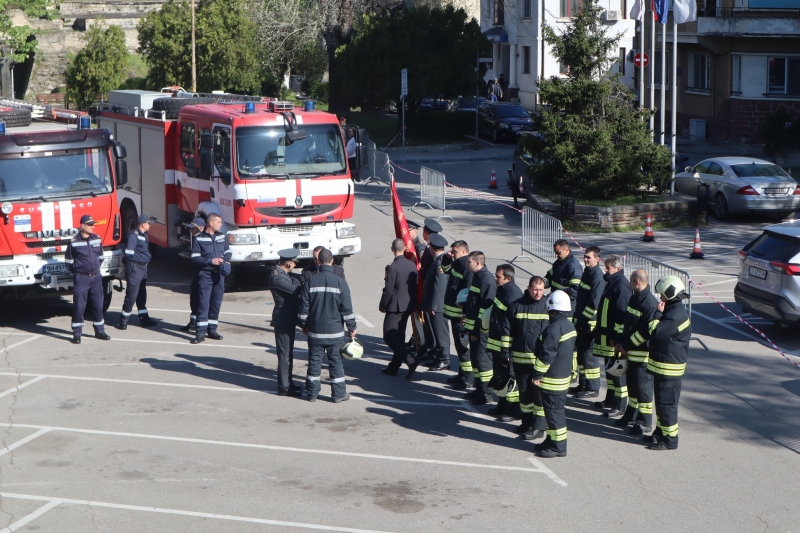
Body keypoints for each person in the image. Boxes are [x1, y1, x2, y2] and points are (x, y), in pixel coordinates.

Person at [298, 248, 357, 403]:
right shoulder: (340, 283)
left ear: (318, 261)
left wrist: (303, 325)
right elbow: (347, 309)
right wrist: (352, 327)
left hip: (315, 332)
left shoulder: (310, 282)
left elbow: (303, 309)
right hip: (335, 333)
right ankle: (338, 394)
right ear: (332, 261)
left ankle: (312, 393)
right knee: (336, 364)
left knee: (314, 363)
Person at [641, 276, 691, 450]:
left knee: (667, 406)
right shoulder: (673, 310)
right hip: (663, 368)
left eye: (662, 295)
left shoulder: (673, 316)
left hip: (668, 370)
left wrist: (656, 314)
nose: (660, 298)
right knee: (662, 405)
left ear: (670, 295)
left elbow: (654, 332)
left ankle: (669, 440)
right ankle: (660, 433)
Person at [532, 290, 577, 458]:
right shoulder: (568, 325)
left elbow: (546, 355)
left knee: (554, 413)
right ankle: (551, 441)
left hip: (552, 379)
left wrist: (537, 373)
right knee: (552, 413)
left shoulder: (553, 329)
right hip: (562, 376)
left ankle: (558, 447)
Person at [506, 276, 550, 440]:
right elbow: (507, 333)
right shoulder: (516, 306)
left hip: (539, 362)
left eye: (541, 290)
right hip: (520, 359)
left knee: (538, 395)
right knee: (524, 394)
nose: (539, 293)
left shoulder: (547, 307)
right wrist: (506, 355)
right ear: (529, 288)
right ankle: (526, 423)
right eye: (535, 290)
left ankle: (538, 427)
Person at [615, 270, 659, 434]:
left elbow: (644, 333)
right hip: (630, 353)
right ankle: (631, 416)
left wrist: (626, 345)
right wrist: (619, 341)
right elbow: (626, 324)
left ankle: (645, 422)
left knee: (643, 389)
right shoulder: (635, 298)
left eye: (631, 282)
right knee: (633, 387)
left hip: (642, 356)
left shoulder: (649, 303)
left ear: (637, 282)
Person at [592, 255, 632, 416]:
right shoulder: (612, 283)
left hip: (615, 339)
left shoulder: (621, 287)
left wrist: (616, 338)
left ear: (618, 269)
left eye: (608, 268)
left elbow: (621, 316)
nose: (605, 270)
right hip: (607, 337)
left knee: (618, 373)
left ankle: (620, 405)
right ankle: (610, 400)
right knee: (610, 370)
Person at [65, 214, 111, 344]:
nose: (93, 227)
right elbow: (69, 262)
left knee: (98, 305)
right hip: (81, 278)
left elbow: (101, 258)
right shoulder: (73, 242)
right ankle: (77, 333)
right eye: (90, 225)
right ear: (82, 226)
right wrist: (79, 272)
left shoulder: (97, 239)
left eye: (93, 224)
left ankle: (100, 331)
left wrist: (94, 270)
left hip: (96, 277)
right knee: (79, 306)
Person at [486, 264, 523, 421]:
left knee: (510, 379)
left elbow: (513, 324)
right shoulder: (502, 290)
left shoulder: (513, 294)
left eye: (498, 276)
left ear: (508, 278)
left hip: (505, 344)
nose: (495, 278)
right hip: (496, 342)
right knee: (500, 377)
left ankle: (513, 411)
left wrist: (507, 351)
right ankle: (501, 406)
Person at [190, 213, 231, 344]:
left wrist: (224, 260)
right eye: (219, 222)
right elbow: (195, 258)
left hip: (219, 275)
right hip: (205, 276)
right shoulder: (199, 239)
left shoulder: (221, 236)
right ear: (211, 223)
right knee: (203, 304)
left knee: (216, 304)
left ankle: (212, 330)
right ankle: (200, 333)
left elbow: (228, 252)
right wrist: (210, 261)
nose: (221, 224)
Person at [379, 238, 418, 377]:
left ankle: (410, 359)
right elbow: (414, 288)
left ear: (392, 249)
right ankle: (394, 366)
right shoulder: (411, 266)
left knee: (389, 336)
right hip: (407, 305)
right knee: (399, 336)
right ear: (404, 249)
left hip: (395, 306)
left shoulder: (392, 267)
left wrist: (383, 304)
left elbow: (388, 290)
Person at [571, 246, 606, 398]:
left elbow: (594, 305)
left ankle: (592, 387)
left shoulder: (597, 277)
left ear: (597, 259)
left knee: (589, 356)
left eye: (589, 257)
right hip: (581, 320)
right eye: (585, 257)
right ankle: (583, 384)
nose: (585, 259)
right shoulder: (587, 272)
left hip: (589, 323)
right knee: (581, 355)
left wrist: (582, 321)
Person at [268, 248, 304, 397]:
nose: (295, 266)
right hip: (283, 319)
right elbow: (295, 290)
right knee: (284, 354)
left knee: (288, 353)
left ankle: (288, 383)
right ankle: (284, 387)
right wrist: (297, 279)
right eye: (294, 263)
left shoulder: (282, 273)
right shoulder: (278, 277)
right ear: (288, 264)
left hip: (287, 318)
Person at [462, 251, 496, 404]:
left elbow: (485, 311)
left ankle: (486, 394)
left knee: (483, 363)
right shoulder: (477, 277)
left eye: (469, 261)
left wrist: (476, 331)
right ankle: (478, 390)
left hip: (481, 331)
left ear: (477, 263)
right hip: (473, 328)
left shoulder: (487, 280)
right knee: (475, 361)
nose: (466, 264)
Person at [117, 215, 157, 330]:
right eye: (149, 223)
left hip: (142, 268)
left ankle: (144, 318)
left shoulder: (143, 235)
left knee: (141, 294)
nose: (150, 225)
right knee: (132, 295)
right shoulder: (134, 235)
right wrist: (125, 263)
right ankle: (123, 320)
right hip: (135, 268)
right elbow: (128, 253)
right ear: (143, 224)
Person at [442, 240, 473, 387]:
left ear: (463, 251)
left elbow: (467, 294)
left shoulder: (466, 267)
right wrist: (447, 259)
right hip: (454, 315)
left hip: (460, 316)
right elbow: (446, 270)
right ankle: (462, 374)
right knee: (459, 347)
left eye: (454, 252)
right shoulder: (457, 263)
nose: (452, 254)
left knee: (463, 348)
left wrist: (464, 315)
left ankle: (467, 379)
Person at [421, 233, 450, 372]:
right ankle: (439, 356)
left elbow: (440, 287)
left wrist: (434, 305)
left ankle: (444, 359)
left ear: (432, 248)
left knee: (441, 333)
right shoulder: (439, 260)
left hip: (439, 305)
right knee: (437, 332)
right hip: (435, 304)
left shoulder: (440, 263)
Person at [180, 217, 206, 332]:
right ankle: (192, 322)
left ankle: (200, 325)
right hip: (196, 272)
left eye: (193, 229)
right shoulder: (196, 238)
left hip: (203, 273)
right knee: (194, 298)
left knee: (201, 299)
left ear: (200, 228)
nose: (190, 231)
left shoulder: (204, 239)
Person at [544, 239, 583, 313]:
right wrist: (541, 283)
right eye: (555, 252)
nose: (556, 255)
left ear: (567, 250)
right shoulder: (558, 263)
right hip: (555, 303)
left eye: (558, 253)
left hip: (566, 307)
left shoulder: (574, 267)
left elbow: (575, 290)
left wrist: (555, 294)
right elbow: (549, 277)